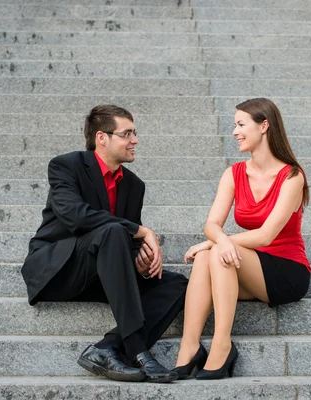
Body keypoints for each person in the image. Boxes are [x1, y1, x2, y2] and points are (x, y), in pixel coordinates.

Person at [21, 104, 187, 383]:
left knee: (177, 283)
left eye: (135, 133)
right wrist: (140, 231)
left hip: (104, 272)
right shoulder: (66, 165)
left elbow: (125, 242)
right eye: (127, 134)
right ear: (102, 137)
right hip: (60, 269)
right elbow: (74, 216)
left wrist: (140, 262)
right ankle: (137, 349)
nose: (135, 140)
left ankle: (108, 347)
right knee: (111, 231)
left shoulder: (134, 185)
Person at [171, 98, 311, 380]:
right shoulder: (234, 173)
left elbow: (266, 235)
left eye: (240, 124)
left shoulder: (292, 177)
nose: (234, 131)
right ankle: (189, 347)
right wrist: (217, 241)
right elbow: (211, 224)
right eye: (234, 125)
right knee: (207, 256)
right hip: (247, 263)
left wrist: (218, 242)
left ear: (264, 126)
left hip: (286, 270)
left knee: (216, 252)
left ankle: (222, 345)